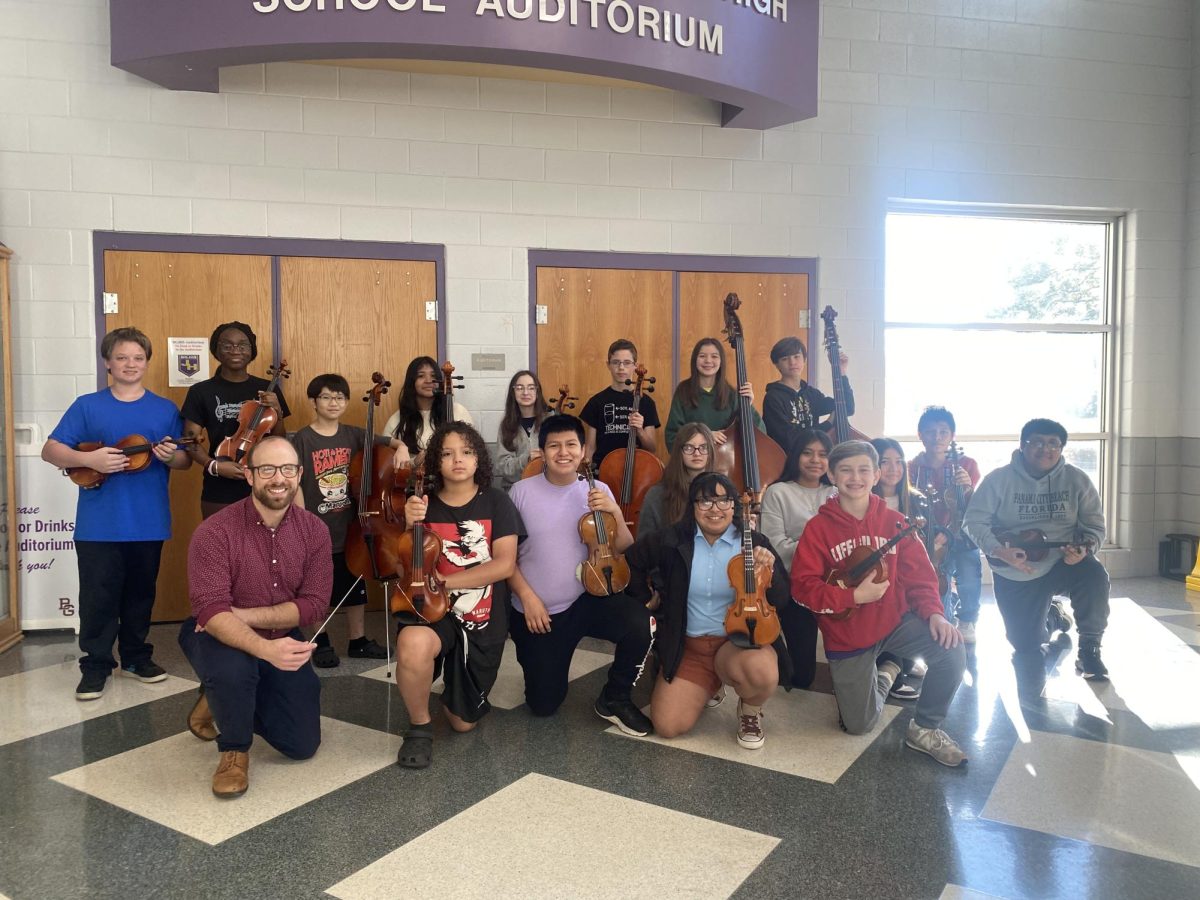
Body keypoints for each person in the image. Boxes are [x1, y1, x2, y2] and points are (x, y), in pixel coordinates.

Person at [791, 440, 968, 767]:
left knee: (951, 649)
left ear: (876, 475)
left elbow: (920, 578)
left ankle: (925, 728)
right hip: (848, 635)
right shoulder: (818, 528)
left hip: (894, 622)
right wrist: (853, 596)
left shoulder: (897, 522)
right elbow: (802, 589)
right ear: (832, 475)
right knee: (858, 726)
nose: (854, 477)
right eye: (845, 470)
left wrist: (935, 614)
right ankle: (886, 674)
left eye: (863, 470)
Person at [42, 327, 191, 701]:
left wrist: (172, 455)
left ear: (146, 363)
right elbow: (51, 450)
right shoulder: (87, 405)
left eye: (137, 358)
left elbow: (184, 460)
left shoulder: (164, 409)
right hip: (99, 523)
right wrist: (87, 459)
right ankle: (95, 665)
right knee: (98, 597)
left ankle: (137, 658)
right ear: (108, 363)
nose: (130, 364)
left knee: (141, 595)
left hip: (148, 520)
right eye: (122, 357)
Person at [179, 436, 332, 798]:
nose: (278, 479)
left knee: (301, 744)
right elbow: (211, 613)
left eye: (287, 470)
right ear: (248, 475)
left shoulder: (315, 531)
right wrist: (266, 650)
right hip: (212, 633)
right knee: (235, 670)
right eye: (266, 469)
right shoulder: (214, 532)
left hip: (274, 631)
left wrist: (244, 616)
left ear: (299, 475)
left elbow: (314, 604)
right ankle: (234, 749)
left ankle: (218, 697)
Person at [507, 414, 655, 735]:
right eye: (554, 445)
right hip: (540, 612)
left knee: (639, 622)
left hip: (587, 598)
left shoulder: (597, 488)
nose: (564, 452)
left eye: (571, 444)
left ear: (584, 450)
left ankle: (614, 698)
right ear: (542, 451)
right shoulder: (520, 493)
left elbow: (625, 548)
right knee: (543, 704)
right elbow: (505, 561)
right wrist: (528, 598)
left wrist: (614, 511)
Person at [625, 473, 790, 749]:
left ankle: (749, 711)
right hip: (690, 648)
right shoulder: (672, 540)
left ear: (734, 505)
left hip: (735, 645)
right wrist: (647, 601)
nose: (715, 509)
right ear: (693, 506)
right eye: (705, 501)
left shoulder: (753, 542)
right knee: (668, 726)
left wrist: (770, 570)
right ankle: (711, 683)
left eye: (723, 500)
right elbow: (631, 561)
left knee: (761, 672)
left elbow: (782, 599)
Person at [394, 422, 521, 769]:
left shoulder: (497, 501)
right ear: (436, 462)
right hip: (434, 611)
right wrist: (408, 526)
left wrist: (446, 582)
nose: (458, 460)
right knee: (413, 644)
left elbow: (505, 565)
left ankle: (451, 685)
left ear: (479, 458)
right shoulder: (422, 505)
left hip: (482, 617)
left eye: (466, 452)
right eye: (447, 454)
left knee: (463, 724)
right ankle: (419, 726)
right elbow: (398, 563)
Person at [964, 418, 1109, 690]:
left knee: (1094, 573)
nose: (1046, 449)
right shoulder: (998, 480)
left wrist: (1084, 549)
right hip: (1017, 567)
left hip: (1065, 562)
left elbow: (1095, 527)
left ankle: (1090, 647)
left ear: (1062, 448)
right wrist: (998, 550)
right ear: (1022, 445)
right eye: (1037, 442)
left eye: (1054, 443)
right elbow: (973, 522)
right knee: (1025, 644)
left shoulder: (1077, 480)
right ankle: (1053, 616)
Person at [290, 373, 403, 667]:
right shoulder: (302, 438)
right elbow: (296, 483)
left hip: (352, 526)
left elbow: (389, 442)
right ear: (314, 402)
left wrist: (401, 447)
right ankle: (321, 641)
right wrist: (304, 522)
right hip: (317, 526)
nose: (333, 402)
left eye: (339, 397)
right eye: (326, 397)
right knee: (317, 587)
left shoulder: (354, 435)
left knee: (355, 584)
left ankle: (358, 640)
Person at [182, 321, 290, 520]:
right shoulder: (201, 391)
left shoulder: (268, 388)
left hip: (261, 482)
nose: (235, 350)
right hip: (218, 488)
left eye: (242, 345)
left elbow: (279, 440)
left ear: (252, 351)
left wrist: (278, 412)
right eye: (227, 345)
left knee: (262, 548)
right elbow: (190, 440)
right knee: (219, 546)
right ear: (217, 350)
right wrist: (213, 465)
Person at [759, 427, 833, 689]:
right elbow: (774, 545)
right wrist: (817, 546)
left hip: (836, 584)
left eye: (823, 454)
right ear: (795, 456)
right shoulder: (778, 492)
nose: (815, 460)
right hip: (796, 584)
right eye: (808, 453)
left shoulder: (835, 493)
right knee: (802, 677)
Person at [909, 407, 983, 643]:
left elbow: (974, 508)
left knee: (969, 571)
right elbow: (911, 505)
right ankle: (943, 618)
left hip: (960, 533)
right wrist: (930, 533)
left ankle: (968, 619)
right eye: (930, 432)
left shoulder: (967, 464)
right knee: (935, 579)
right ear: (920, 434)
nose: (937, 437)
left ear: (952, 435)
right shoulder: (912, 468)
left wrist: (968, 487)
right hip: (929, 534)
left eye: (943, 432)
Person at [871, 437, 937, 701]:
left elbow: (929, 548)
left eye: (898, 462)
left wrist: (939, 541)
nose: (893, 469)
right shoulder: (863, 500)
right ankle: (890, 669)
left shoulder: (917, 500)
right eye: (884, 462)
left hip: (910, 576)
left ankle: (893, 666)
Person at [663, 338, 763, 452]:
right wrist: (704, 436)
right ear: (695, 360)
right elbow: (672, 437)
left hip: (728, 464)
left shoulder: (732, 394)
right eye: (702, 356)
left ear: (721, 362)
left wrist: (748, 405)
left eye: (714, 356)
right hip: (694, 463)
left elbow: (760, 434)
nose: (708, 361)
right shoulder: (683, 390)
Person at [762, 336, 852, 455]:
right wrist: (828, 424)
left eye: (796, 357)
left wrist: (841, 372)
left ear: (804, 360)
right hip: (786, 462)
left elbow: (847, 408)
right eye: (785, 358)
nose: (792, 362)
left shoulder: (812, 394)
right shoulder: (773, 398)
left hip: (813, 458)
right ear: (777, 364)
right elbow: (789, 439)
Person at [580, 339, 660, 467]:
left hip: (637, 471)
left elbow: (652, 449)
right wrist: (588, 479)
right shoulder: (597, 402)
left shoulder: (646, 402)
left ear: (635, 365)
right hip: (603, 472)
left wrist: (640, 430)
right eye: (616, 362)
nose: (621, 368)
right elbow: (590, 448)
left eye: (627, 363)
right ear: (608, 365)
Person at [383, 356, 473, 465]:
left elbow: (473, 451)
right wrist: (414, 463)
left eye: (433, 376)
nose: (429, 381)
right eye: (421, 376)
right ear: (412, 382)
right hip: (415, 480)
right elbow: (388, 463)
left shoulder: (458, 411)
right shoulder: (397, 419)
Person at [637, 422, 717, 537]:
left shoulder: (721, 490)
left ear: (711, 452)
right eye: (689, 447)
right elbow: (644, 544)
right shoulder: (657, 494)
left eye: (704, 447)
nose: (697, 453)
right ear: (679, 451)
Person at [494, 369, 551, 489]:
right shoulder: (506, 425)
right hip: (515, 490)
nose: (525, 392)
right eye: (520, 388)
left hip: (547, 487)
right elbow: (502, 467)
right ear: (513, 392)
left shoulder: (550, 421)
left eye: (531, 387)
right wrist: (527, 459)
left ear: (537, 391)